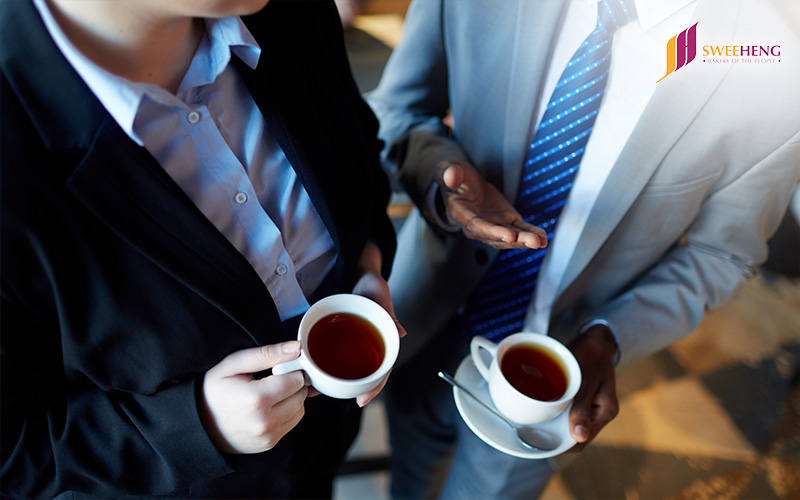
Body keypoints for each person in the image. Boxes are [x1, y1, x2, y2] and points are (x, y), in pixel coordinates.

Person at [366, 0, 800, 498]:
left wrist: (609, 337)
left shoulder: (775, 74)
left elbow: (722, 254)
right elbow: (397, 111)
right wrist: (440, 184)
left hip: (560, 382)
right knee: (409, 476)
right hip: (424, 321)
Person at [0, 0, 400, 498]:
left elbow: (359, 167)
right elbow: (12, 452)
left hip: (323, 452)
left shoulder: (293, 11)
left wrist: (366, 263)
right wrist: (196, 426)